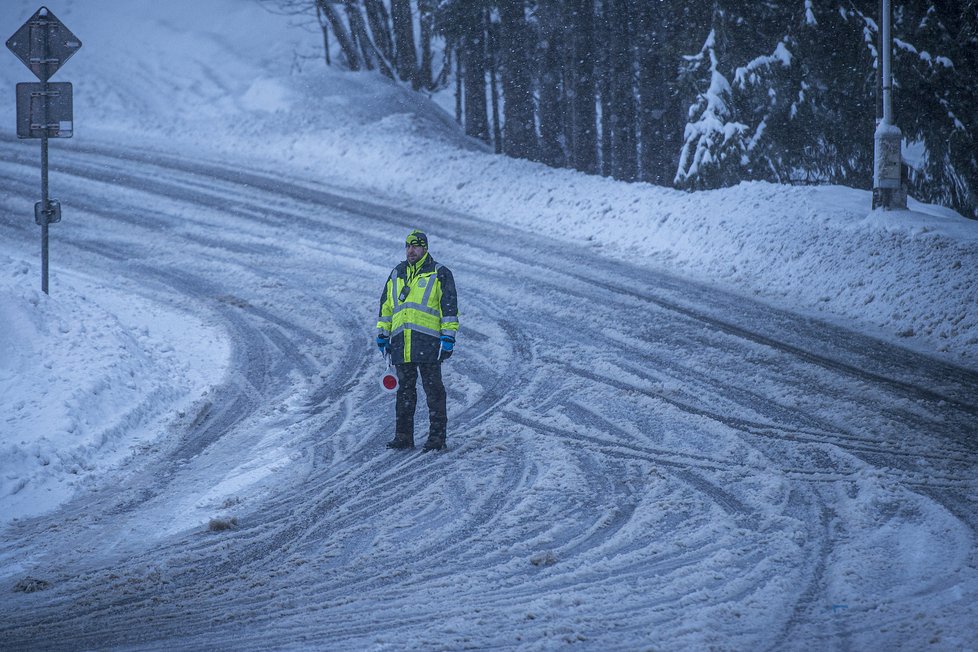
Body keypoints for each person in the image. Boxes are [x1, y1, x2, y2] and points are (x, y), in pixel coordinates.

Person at [376, 229, 459, 451]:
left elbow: (448, 308)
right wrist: (383, 333)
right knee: (404, 392)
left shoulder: (439, 273)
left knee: (434, 392)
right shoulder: (397, 273)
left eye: (416, 246)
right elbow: (387, 307)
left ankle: (437, 439)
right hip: (402, 344)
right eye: (408, 246)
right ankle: (403, 437)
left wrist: (448, 337)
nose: (411, 250)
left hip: (429, 344)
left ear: (425, 248)